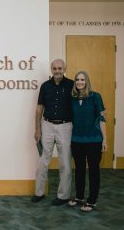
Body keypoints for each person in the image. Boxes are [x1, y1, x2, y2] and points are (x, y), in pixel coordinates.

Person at [31, 59, 73, 206]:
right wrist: (37, 129)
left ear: (65, 68)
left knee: (65, 162)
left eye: (60, 68)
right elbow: (39, 109)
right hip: (47, 125)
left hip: (65, 126)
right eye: (54, 68)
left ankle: (63, 195)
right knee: (43, 161)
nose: (57, 71)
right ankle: (39, 192)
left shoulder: (72, 85)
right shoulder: (45, 86)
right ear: (51, 69)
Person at [68, 71, 107, 212]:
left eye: (82, 79)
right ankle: (79, 197)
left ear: (87, 81)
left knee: (93, 170)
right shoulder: (72, 98)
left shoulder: (96, 97)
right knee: (79, 170)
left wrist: (105, 140)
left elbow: (102, 120)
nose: (79, 82)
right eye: (77, 80)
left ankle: (92, 200)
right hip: (76, 140)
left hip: (94, 140)